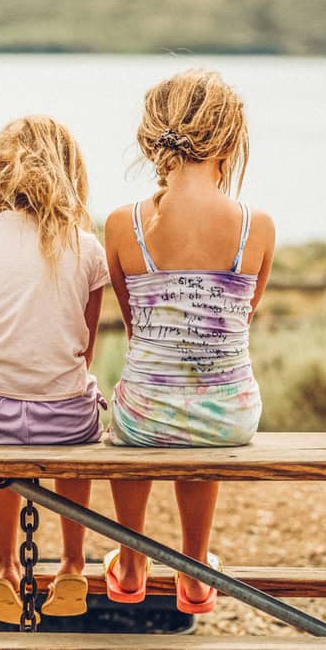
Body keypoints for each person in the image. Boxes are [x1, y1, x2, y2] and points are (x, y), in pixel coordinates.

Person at [102, 70, 275, 614]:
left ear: (152, 136)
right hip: (230, 413)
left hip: (146, 412)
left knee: (136, 419)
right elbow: (240, 319)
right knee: (200, 420)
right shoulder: (257, 226)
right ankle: (194, 569)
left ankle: (130, 563)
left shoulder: (121, 224)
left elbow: (135, 327)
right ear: (229, 139)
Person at [0, 115, 109, 624]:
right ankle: (72, 564)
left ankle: (3, 564)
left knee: (2, 434)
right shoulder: (86, 246)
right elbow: (85, 350)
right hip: (64, 417)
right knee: (76, 432)